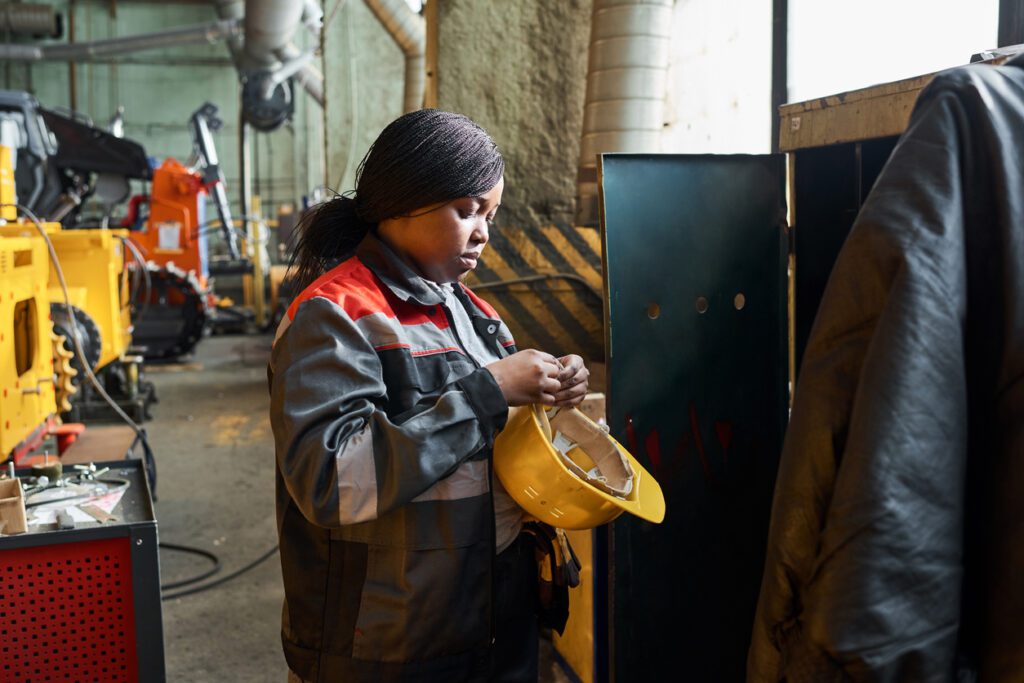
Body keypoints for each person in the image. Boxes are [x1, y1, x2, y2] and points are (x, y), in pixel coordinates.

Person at [269, 109, 590, 683]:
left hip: (488, 615)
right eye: (466, 210)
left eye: (490, 214)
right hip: (392, 642)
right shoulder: (335, 315)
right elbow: (330, 480)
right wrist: (490, 392)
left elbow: (496, 444)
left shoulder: (473, 313)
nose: (484, 230)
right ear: (400, 202)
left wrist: (546, 395)